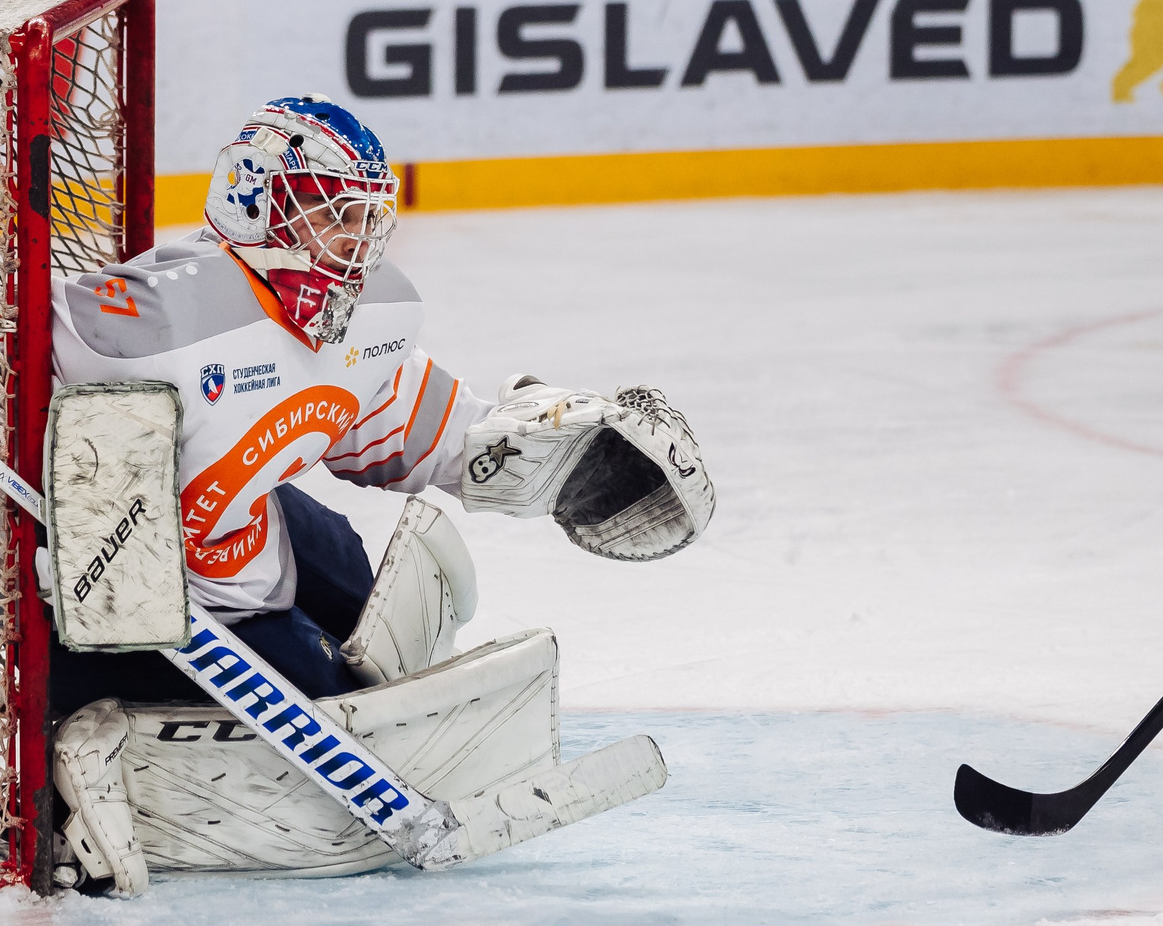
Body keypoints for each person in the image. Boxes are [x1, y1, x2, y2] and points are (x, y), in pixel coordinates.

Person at [45, 93, 708, 717]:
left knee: (352, 576)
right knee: (342, 703)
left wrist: (552, 457)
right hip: (144, 584)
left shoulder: (363, 314)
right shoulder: (157, 321)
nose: (357, 240)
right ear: (255, 201)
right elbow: (7, 361)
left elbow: (393, 415)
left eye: (367, 216)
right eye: (334, 214)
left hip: (236, 522)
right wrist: (39, 545)